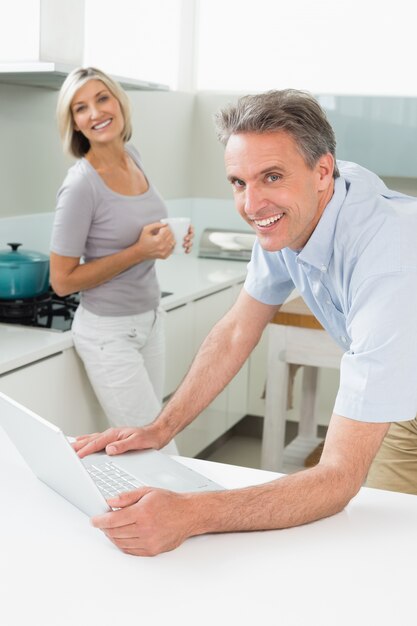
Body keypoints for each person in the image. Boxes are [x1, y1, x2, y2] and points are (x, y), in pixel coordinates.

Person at [73, 89, 417, 557]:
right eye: (238, 182)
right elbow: (238, 329)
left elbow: (338, 477)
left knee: (390, 551)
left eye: (271, 177)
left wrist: (192, 514)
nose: (252, 203)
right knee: (382, 545)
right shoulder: (290, 214)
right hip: (405, 406)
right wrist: (160, 428)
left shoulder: (389, 260)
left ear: (322, 171)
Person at [50, 67, 193, 454]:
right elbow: (61, 281)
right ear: (74, 124)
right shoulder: (81, 185)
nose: (95, 113)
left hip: (149, 319)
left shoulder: (133, 156)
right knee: (156, 449)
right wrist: (140, 251)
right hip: (108, 334)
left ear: (119, 103)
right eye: (81, 108)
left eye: (102, 99)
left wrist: (166, 238)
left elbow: (132, 228)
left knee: (148, 444)